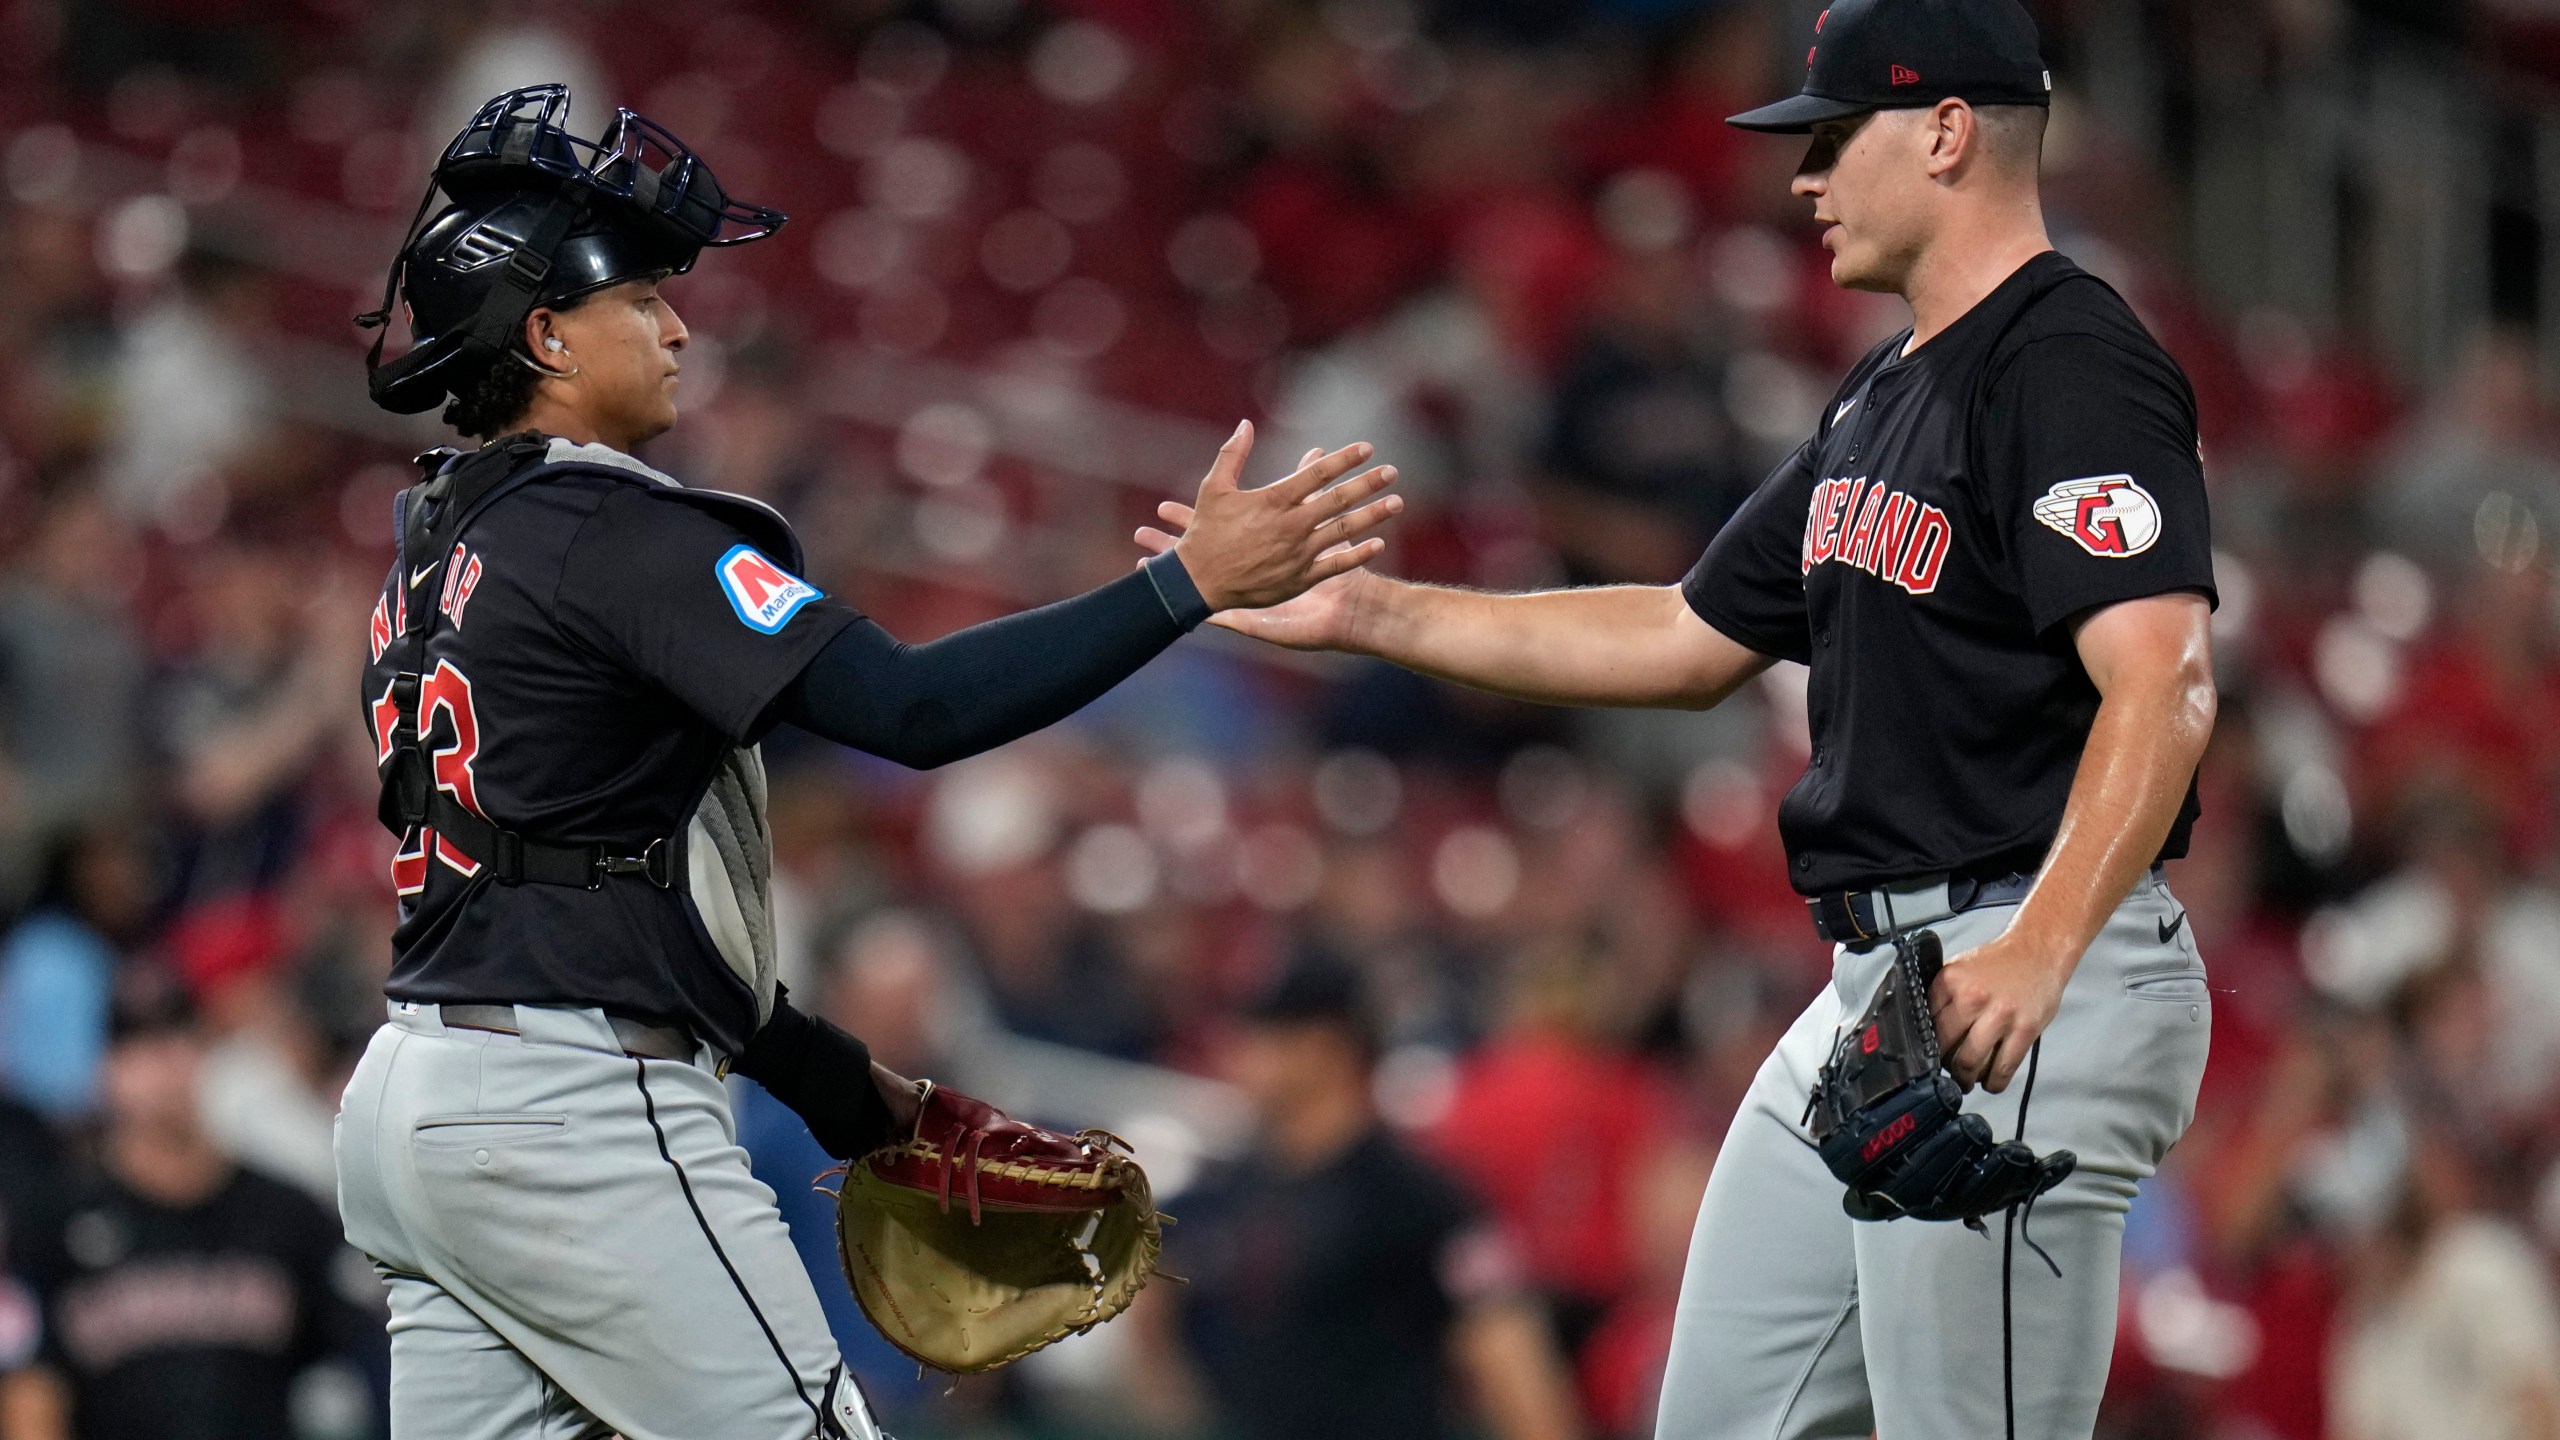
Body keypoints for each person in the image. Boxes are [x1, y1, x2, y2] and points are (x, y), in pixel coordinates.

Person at [1139, 1, 2217, 1435]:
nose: (1803, 179)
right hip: (1888, 987)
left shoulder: (2065, 360)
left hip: (2021, 966)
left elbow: (2167, 679)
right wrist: (1374, 613)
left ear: (1948, 133)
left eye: (1835, 137)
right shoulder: (1887, 392)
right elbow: (1686, 628)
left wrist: (2039, 948)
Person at [333, 86, 1398, 1440]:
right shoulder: (608, 528)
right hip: (568, 1113)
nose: (675, 327)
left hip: (418, 1102)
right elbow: (912, 709)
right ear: (546, 335)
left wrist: (845, 1092)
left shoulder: (435, 551)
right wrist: (1188, 586)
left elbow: (591, 891)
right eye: (641, 303)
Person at [1163, 956, 1585, 1440]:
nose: (1239, 1054)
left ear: (1327, 1047)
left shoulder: (1417, 1198)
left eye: (1267, 1036)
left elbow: (1512, 1359)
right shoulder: (1234, 1186)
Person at [0, 967, 380, 1440]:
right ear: (105, 1070)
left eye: (179, 1036)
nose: (163, 1063)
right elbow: (31, 1390)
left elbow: (369, 1358)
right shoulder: (55, 1219)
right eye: (138, 1046)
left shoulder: (285, 1212)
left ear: (209, 1054)